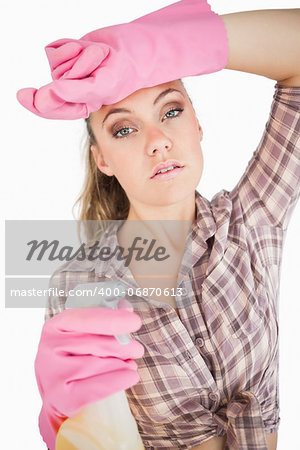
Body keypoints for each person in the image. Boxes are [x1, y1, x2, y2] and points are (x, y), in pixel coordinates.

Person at [16, 1, 300, 449]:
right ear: (102, 159)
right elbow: (94, 437)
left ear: (198, 124)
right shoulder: (77, 284)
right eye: (124, 129)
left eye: (170, 111)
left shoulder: (251, 221)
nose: (158, 142)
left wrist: (163, 48)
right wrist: (59, 425)